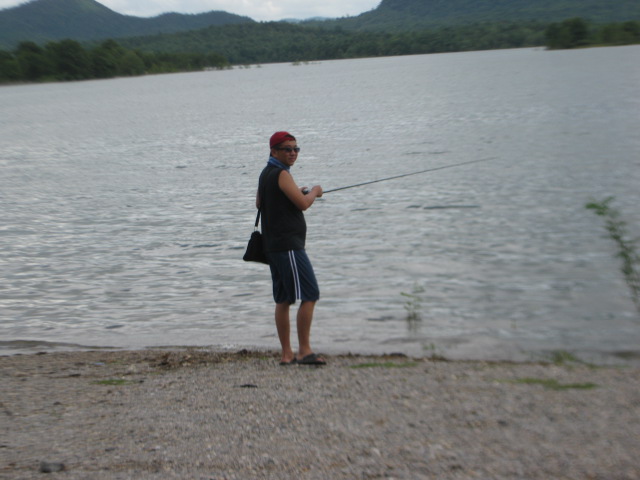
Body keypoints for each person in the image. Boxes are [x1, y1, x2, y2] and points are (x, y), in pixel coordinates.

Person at [256, 131, 326, 366]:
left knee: (283, 298)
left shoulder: (266, 172)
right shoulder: (282, 174)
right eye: (287, 149)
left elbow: (260, 202)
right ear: (274, 151)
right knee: (310, 294)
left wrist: (295, 193)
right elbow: (304, 204)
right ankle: (304, 351)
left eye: (296, 149)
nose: (293, 153)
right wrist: (315, 191)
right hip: (288, 246)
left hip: (272, 246)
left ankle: (287, 354)